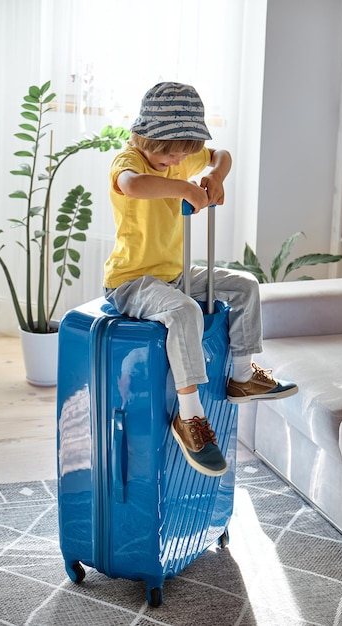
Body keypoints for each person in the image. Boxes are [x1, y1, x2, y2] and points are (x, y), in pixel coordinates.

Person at [103, 82, 298, 478]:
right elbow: (133, 186)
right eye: (168, 150)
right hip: (132, 280)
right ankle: (189, 416)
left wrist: (213, 173)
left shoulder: (178, 160)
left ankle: (242, 375)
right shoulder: (130, 162)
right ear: (146, 135)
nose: (175, 159)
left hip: (173, 273)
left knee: (245, 285)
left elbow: (222, 155)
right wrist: (183, 187)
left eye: (183, 153)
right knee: (184, 310)